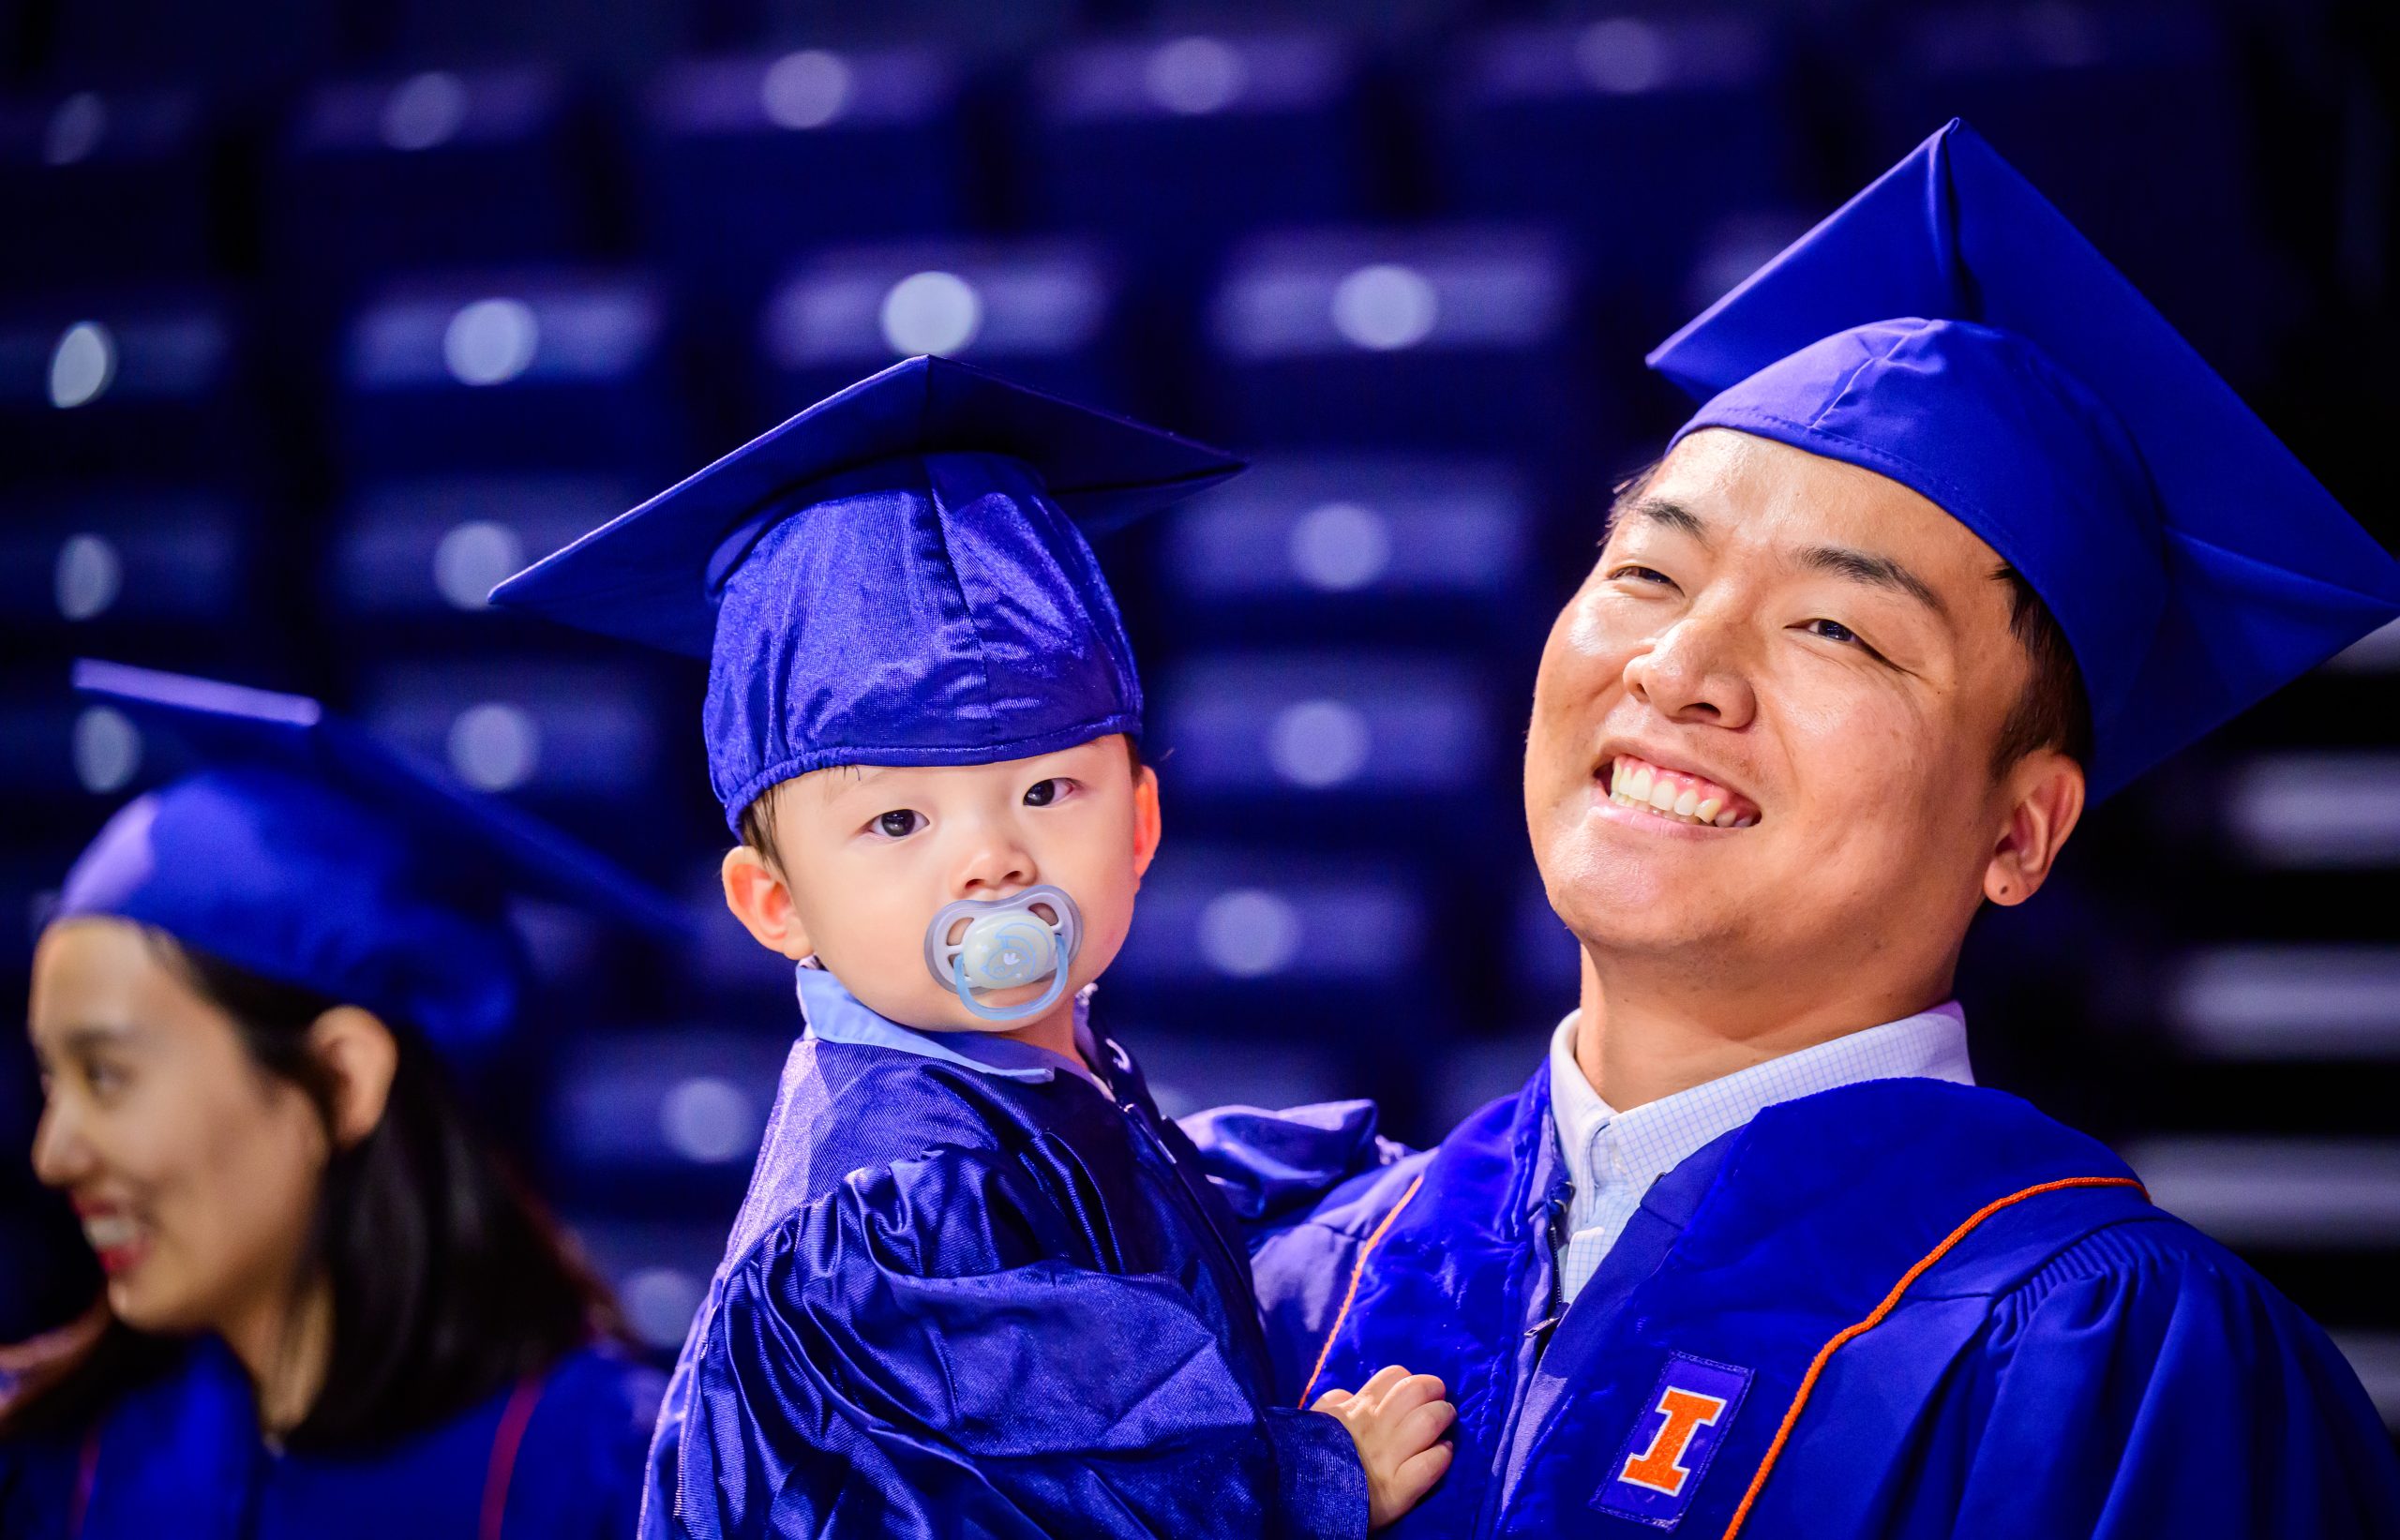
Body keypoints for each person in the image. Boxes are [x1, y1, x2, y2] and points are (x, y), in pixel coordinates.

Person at [1182, 120, 2400, 1538]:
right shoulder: (1287, 1274)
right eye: (1648, 569)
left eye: (1834, 625)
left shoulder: (2113, 1366)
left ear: (2024, 831)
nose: (1681, 666)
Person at [488, 354, 1454, 1539]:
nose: (993, 859)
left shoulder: (1027, 1075)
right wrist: (1310, 1475)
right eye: (898, 820)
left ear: (1142, 823)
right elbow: (1041, 1483)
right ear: (772, 904)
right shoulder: (894, 1198)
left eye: (1050, 788)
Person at [0, 661, 685, 1539]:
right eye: (51, 1080)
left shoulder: (606, 1480)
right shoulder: (61, 1465)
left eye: (108, 1075)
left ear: (343, 1079)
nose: (53, 1153)